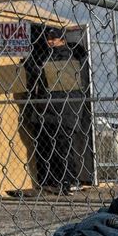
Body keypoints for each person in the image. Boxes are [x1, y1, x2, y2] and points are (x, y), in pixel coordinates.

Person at [22, 25, 91, 194]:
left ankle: (68, 180)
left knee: (61, 147)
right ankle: (58, 181)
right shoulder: (62, 56)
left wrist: (29, 63)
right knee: (52, 146)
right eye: (48, 38)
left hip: (62, 109)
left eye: (54, 38)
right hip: (54, 109)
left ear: (62, 39)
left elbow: (45, 73)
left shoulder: (66, 56)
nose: (50, 42)